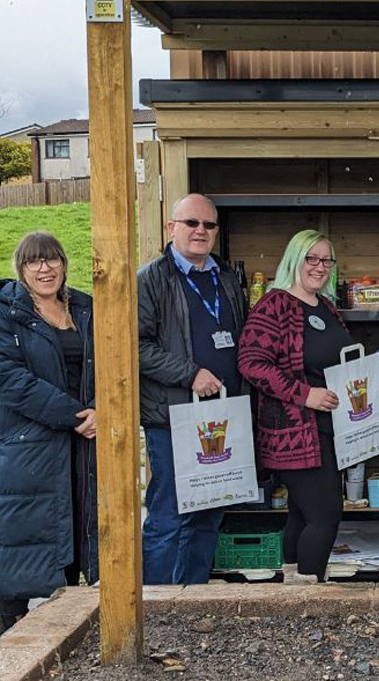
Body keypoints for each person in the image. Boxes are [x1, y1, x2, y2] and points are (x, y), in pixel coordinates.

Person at [238, 230, 379, 584]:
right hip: (293, 434)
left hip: (330, 430)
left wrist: (370, 386)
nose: (320, 267)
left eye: (326, 260)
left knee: (302, 515)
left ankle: (291, 589)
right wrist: (305, 394)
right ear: (295, 258)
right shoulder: (274, 305)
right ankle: (309, 595)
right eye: (312, 258)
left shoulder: (326, 308)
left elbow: (341, 365)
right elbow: (251, 363)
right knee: (325, 516)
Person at [0, 231, 97, 633]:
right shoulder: (4, 315)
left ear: (64, 264)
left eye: (51, 260)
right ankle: (11, 627)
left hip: (83, 442)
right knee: (22, 528)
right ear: (21, 269)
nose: (44, 268)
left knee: (74, 524)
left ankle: (60, 628)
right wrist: (75, 414)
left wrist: (103, 410)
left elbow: (111, 362)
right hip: (29, 445)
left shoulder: (85, 308)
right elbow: (5, 377)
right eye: (34, 262)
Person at [138, 193, 247, 584]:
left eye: (209, 225)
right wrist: (189, 374)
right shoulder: (150, 279)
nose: (200, 231)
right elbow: (134, 347)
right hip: (174, 419)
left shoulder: (226, 278)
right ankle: (157, 608)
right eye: (191, 223)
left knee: (209, 514)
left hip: (221, 416)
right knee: (170, 516)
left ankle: (195, 597)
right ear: (172, 228)